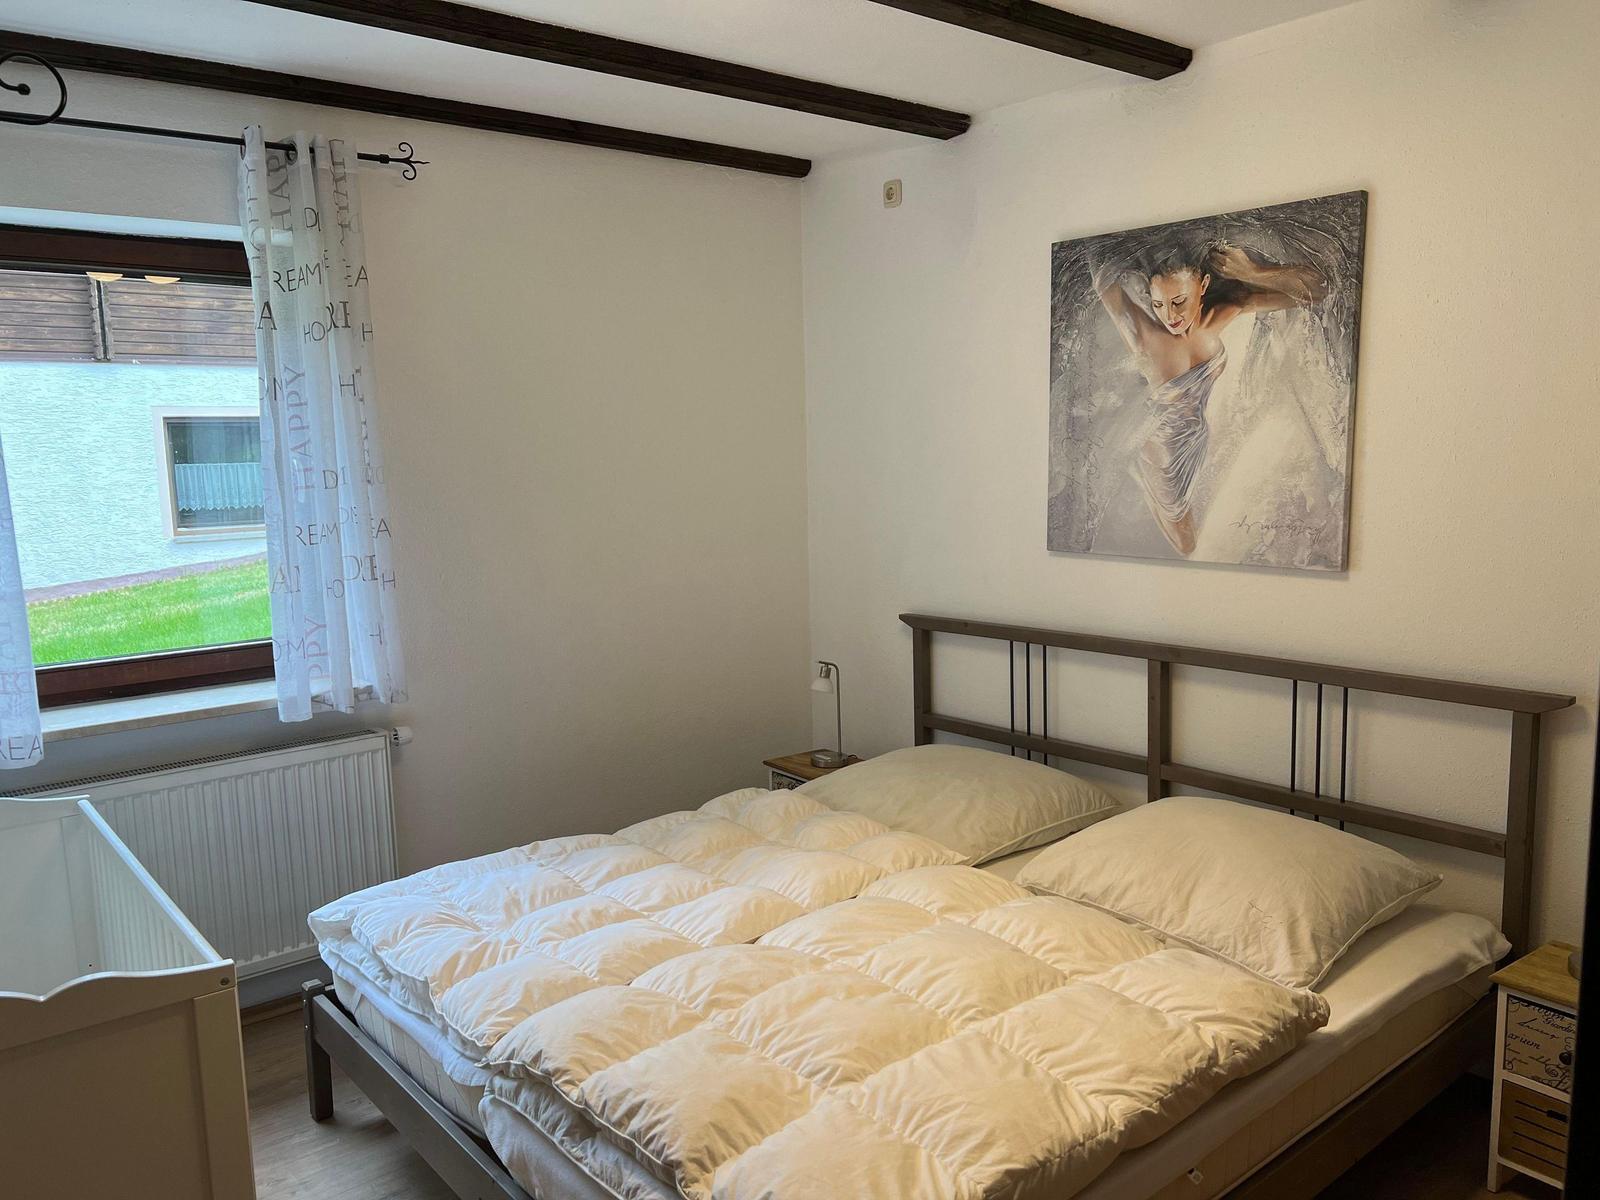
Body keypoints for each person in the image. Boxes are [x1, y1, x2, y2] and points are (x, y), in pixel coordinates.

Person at [1092, 240, 1327, 555]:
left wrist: (1254, 272)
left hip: (1199, 440)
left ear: (1202, 285)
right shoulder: (1144, 336)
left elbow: (1317, 291)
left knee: (1207, 523)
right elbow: (1101, 280)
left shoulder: (1223, 312)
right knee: (1188, 547)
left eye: (1178, 301)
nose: (1170, 316)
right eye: (1159, 304)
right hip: (1163, 450)